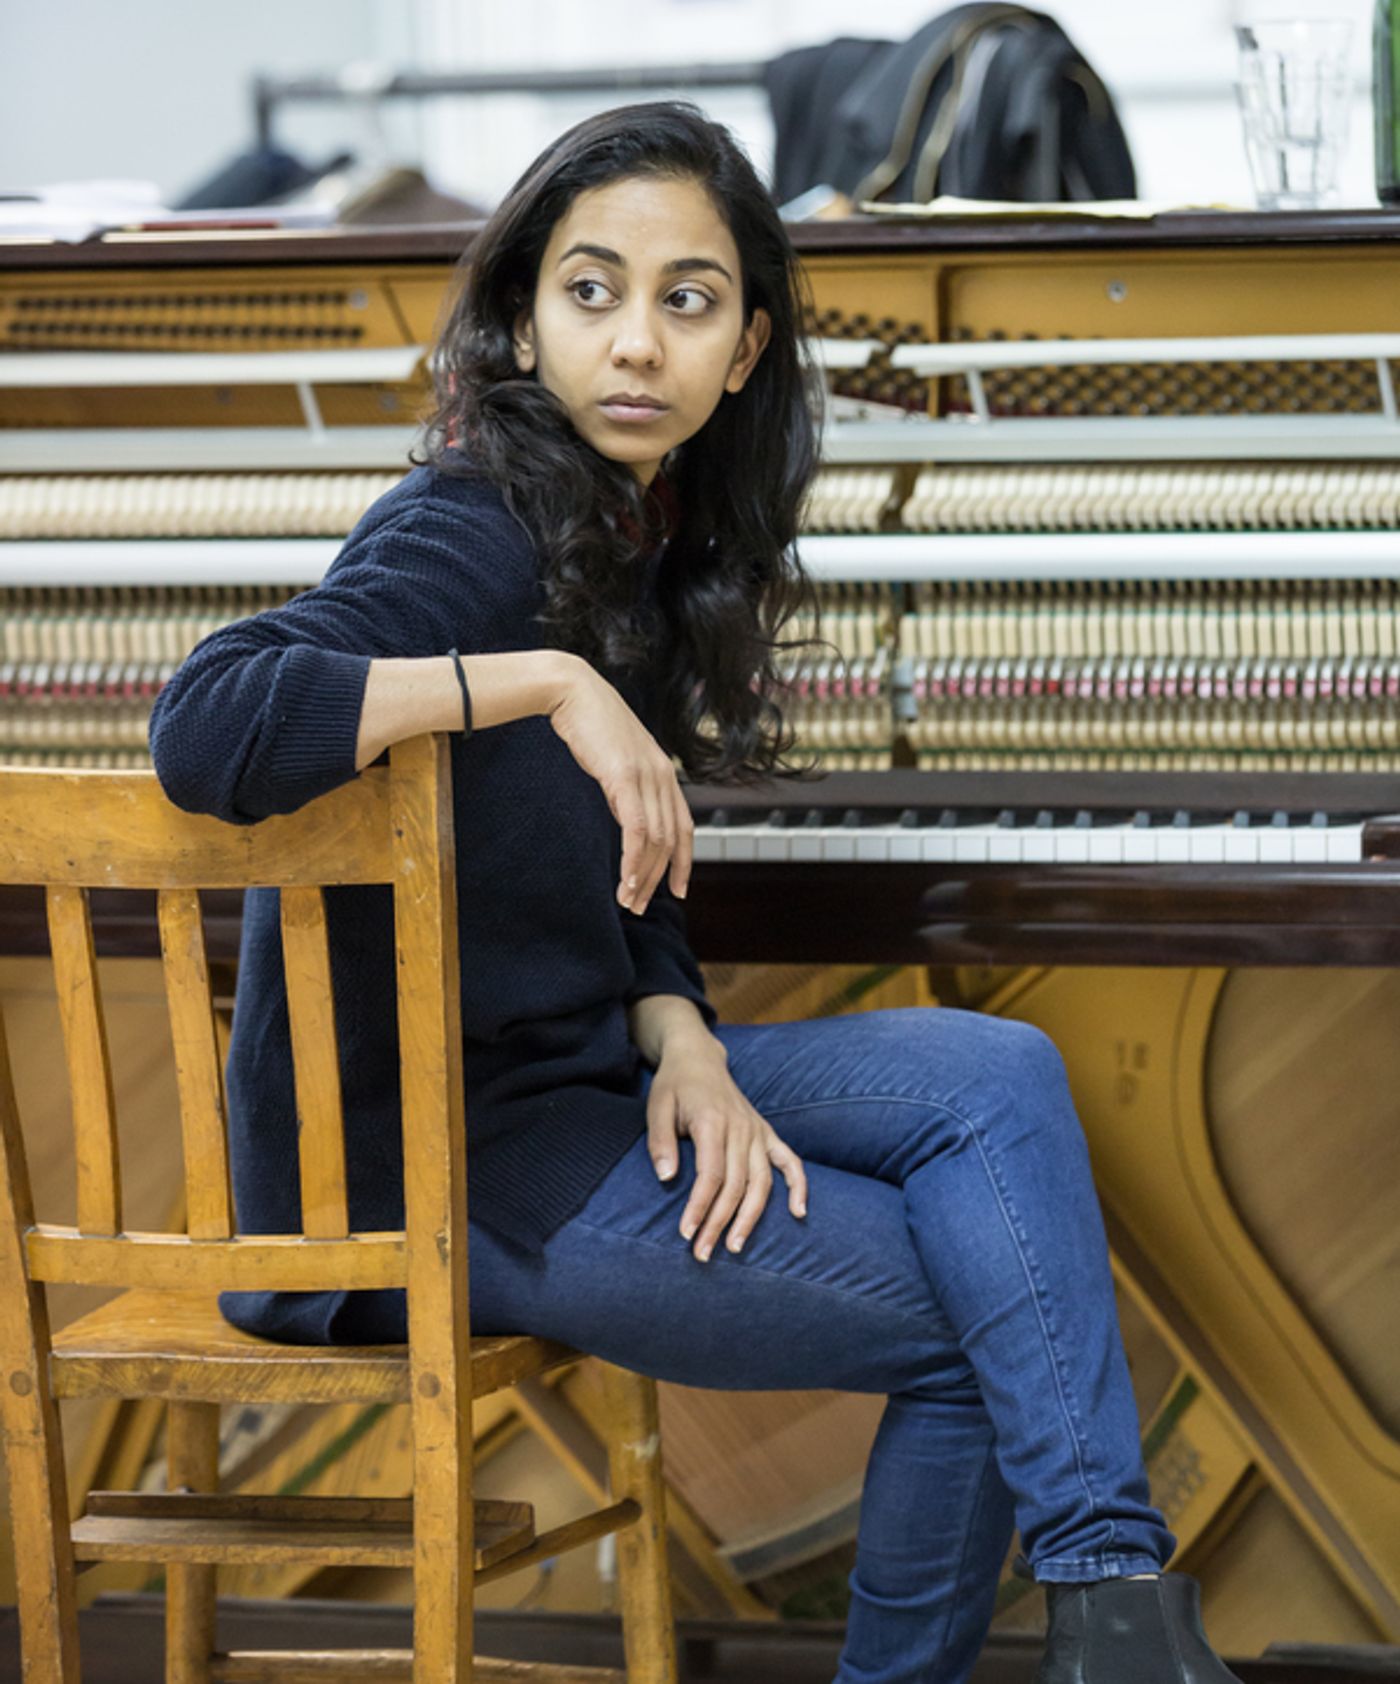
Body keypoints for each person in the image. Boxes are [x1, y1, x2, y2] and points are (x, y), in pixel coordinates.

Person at [149, 101, 1243, 1684]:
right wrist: (536, 683)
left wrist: (687, 1042)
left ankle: (1112, 1614)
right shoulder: (469, 527)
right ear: (524, 322)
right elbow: (209, 721)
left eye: (688, 298)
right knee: (981, 1332)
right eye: (590, 292)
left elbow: (631, 876)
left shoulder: (640, 539)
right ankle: (1109, 1623)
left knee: (997, 1069)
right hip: (441, 1173)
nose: (635, 341)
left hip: (586, 1086)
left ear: (746, 349)